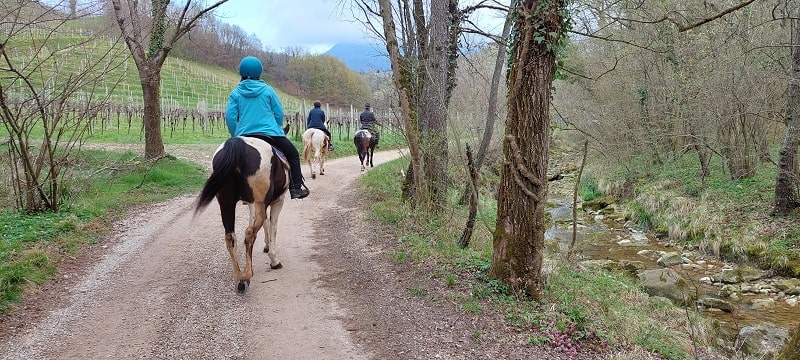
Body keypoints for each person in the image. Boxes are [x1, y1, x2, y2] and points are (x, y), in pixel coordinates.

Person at [225, 56, 309, 200]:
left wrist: (235, 134)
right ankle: (295, 188)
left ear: (241, 72)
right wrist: (276, 127)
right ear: (259, 72)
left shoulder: (236, 93)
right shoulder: (268, 90)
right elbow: (278, 113)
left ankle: (233, 190)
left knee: (230, 160)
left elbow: (230, 117)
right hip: (271, 134)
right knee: (293, 154)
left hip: (244, 135)